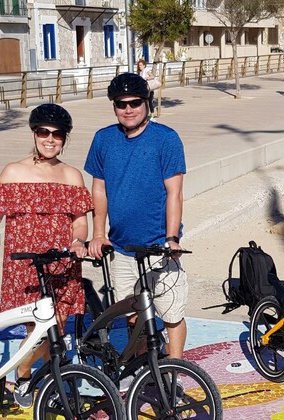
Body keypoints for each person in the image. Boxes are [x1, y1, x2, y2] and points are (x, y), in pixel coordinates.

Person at [0, 103, 92, 408]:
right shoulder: (14, 171)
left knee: (57, 330)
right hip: (25, 265)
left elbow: (80, 221)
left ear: (65, 138)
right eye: (43, 132)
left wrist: (79, 241)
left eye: (57, 134)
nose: (50, 139)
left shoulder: (73, 176)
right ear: (34, 133)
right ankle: (23, 377)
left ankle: (38, 377)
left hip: (61, 265)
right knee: (38, 332)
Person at [84, 72, 188, 360]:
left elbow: (174, 193)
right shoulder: (103, 139)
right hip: (122, 247)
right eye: (121, 104)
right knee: (133, 314)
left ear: (147, 103)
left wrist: (172, 238)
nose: (128, 109)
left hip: (158, 245)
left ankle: (175, 370)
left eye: (135, 102)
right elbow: (99, 189)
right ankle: (144, 366)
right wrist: (98, 234)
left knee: (171, 314)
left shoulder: (166, 139)